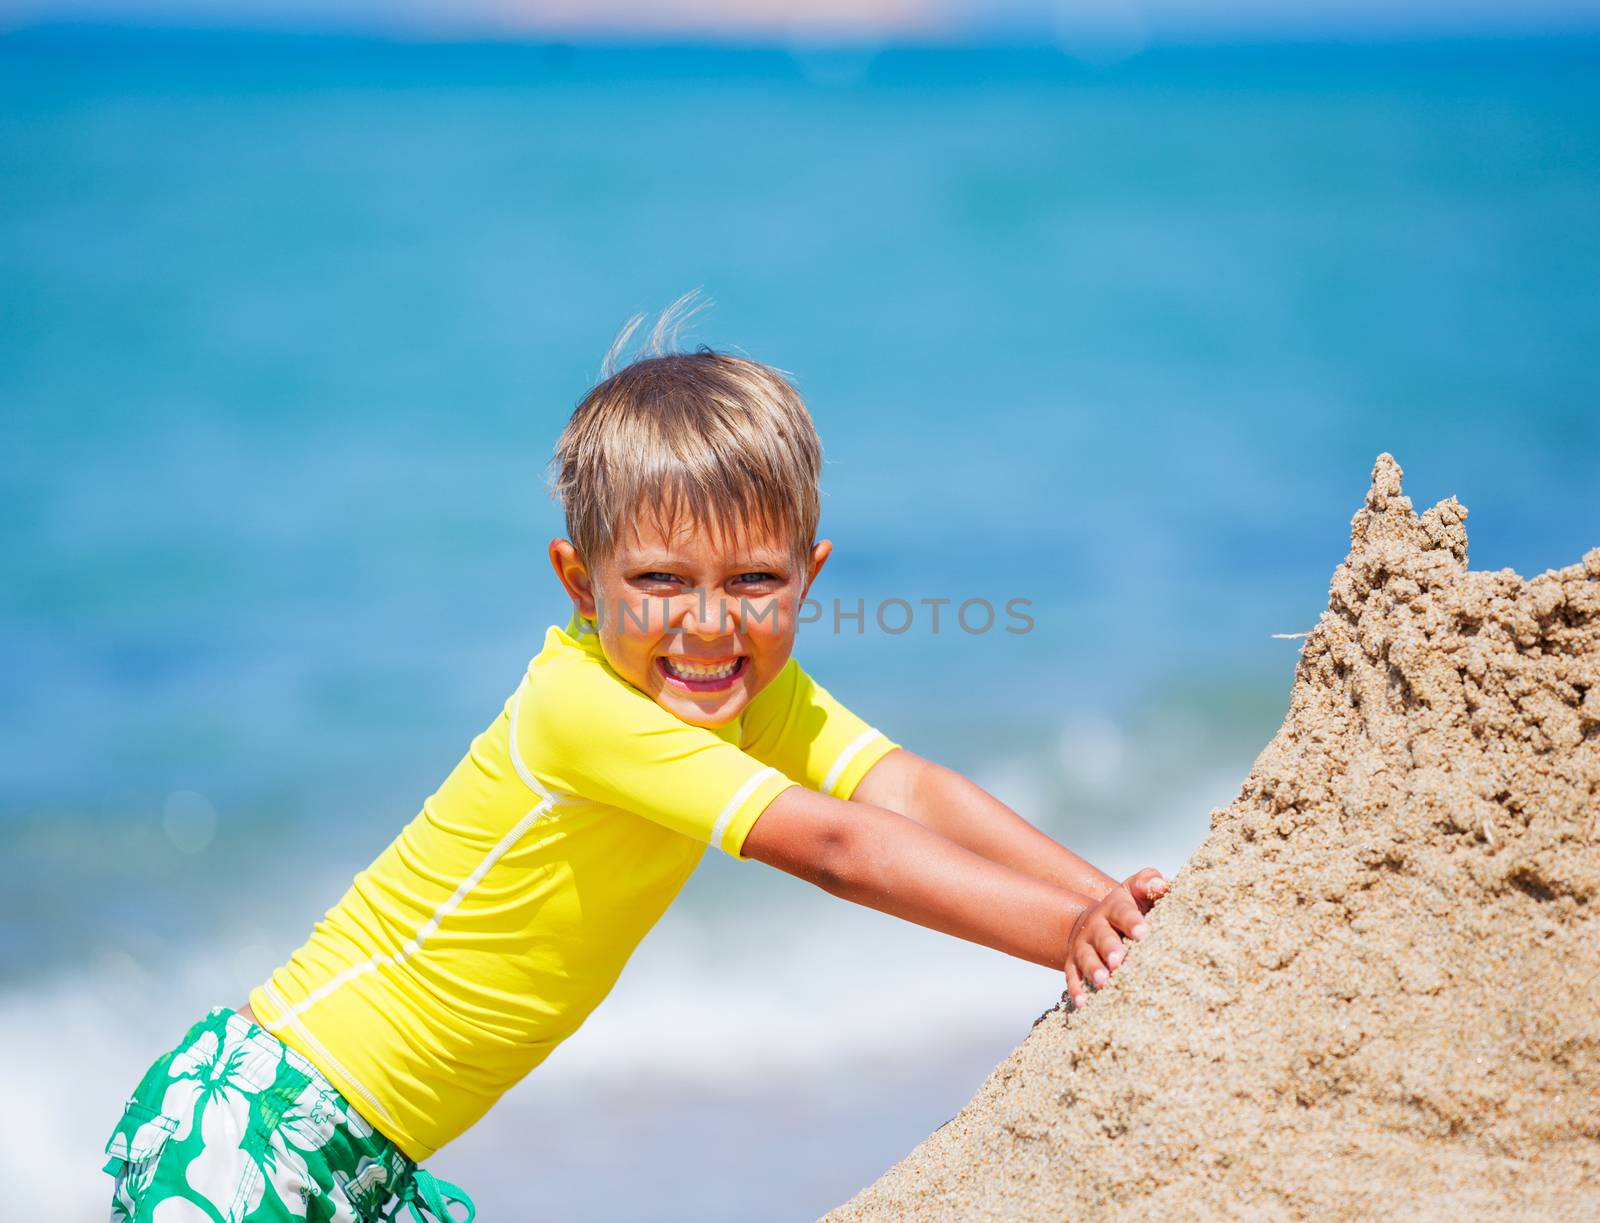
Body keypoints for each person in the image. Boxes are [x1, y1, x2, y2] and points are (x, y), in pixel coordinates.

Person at [102, 302, 1168, 1221]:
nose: (707, 624)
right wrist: (1068, 936)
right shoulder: (584, 706)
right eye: (659, 577)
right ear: (579, 578)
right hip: (260, 1115)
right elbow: (839, 843)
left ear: (811, 572)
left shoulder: (744, 691)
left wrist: (1107, 899)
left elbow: (904, 787)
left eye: (754, 579)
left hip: (369, 1146)